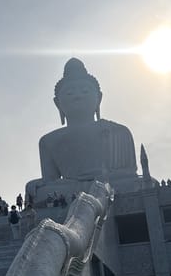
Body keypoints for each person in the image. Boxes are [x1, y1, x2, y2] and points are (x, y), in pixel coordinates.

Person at [25, 58, 138, 205]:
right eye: (70, 93)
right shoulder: (48, 141)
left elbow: (129, 174)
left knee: (137, 183)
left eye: (85, 91)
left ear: (99, 99)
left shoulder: (118, 131)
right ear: (57, 103)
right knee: (41, 193)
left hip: (109, 183)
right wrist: (39, 184)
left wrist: (101, 178)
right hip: (70, 188)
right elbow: (51, 181)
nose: (78, 96)